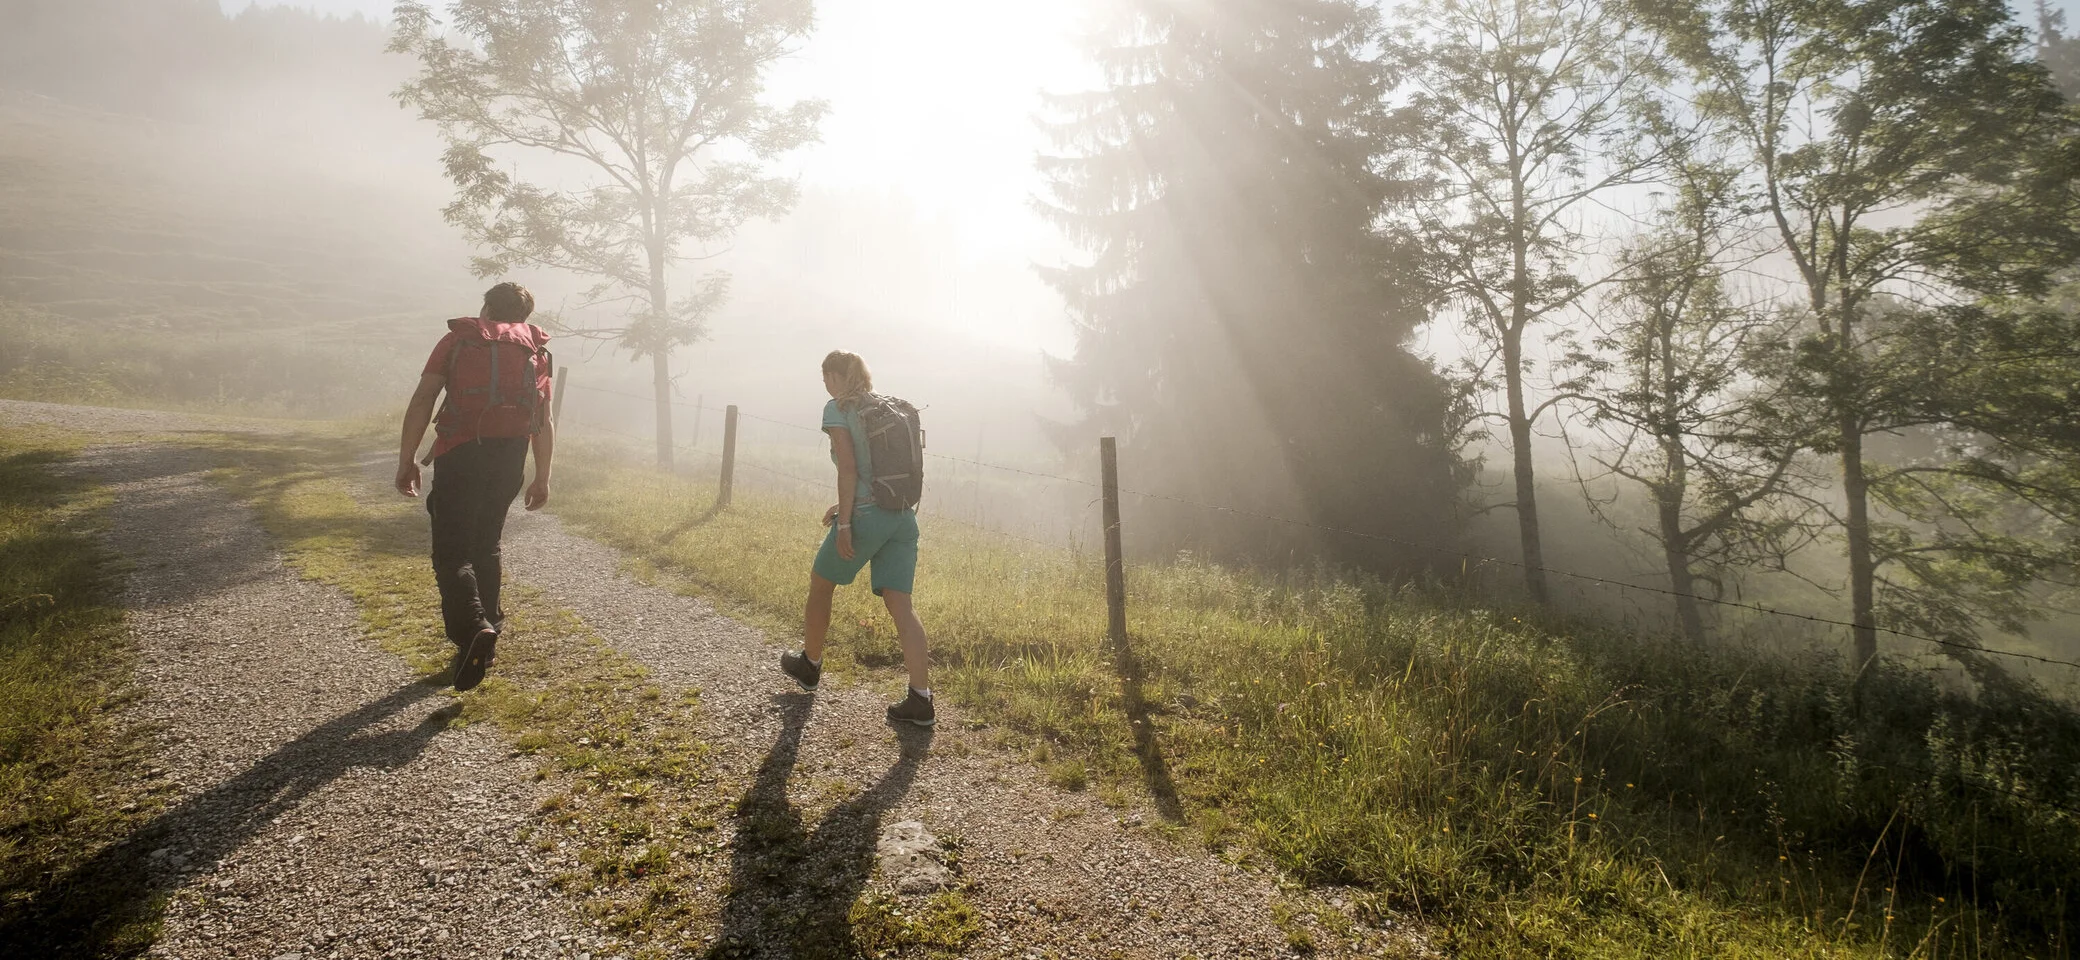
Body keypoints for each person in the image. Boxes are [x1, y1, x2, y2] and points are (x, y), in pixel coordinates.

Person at [393, 282, 555, 692]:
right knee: (487, 543)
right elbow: (544, 420)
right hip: (511, 457)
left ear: (485, 308)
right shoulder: (534, 351)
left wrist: (407, 458)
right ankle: (489, 634)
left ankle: (472, 630)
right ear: (525, 317)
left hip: (461, 452)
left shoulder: (458, 340)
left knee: (452, 550)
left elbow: (423, 399)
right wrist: (543, 475)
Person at [780, 350, 935, 726]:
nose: (825, 385)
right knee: (902, 603)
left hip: (866, 516)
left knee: (821, 582)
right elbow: (872, 469)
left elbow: (848, 466)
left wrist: (846, 522)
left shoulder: (838, 408)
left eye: (825, 377)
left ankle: (810, 664)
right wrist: (842, 505)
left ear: (835, 377)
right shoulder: (887, 407)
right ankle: (921, 699)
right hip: (901, 516)